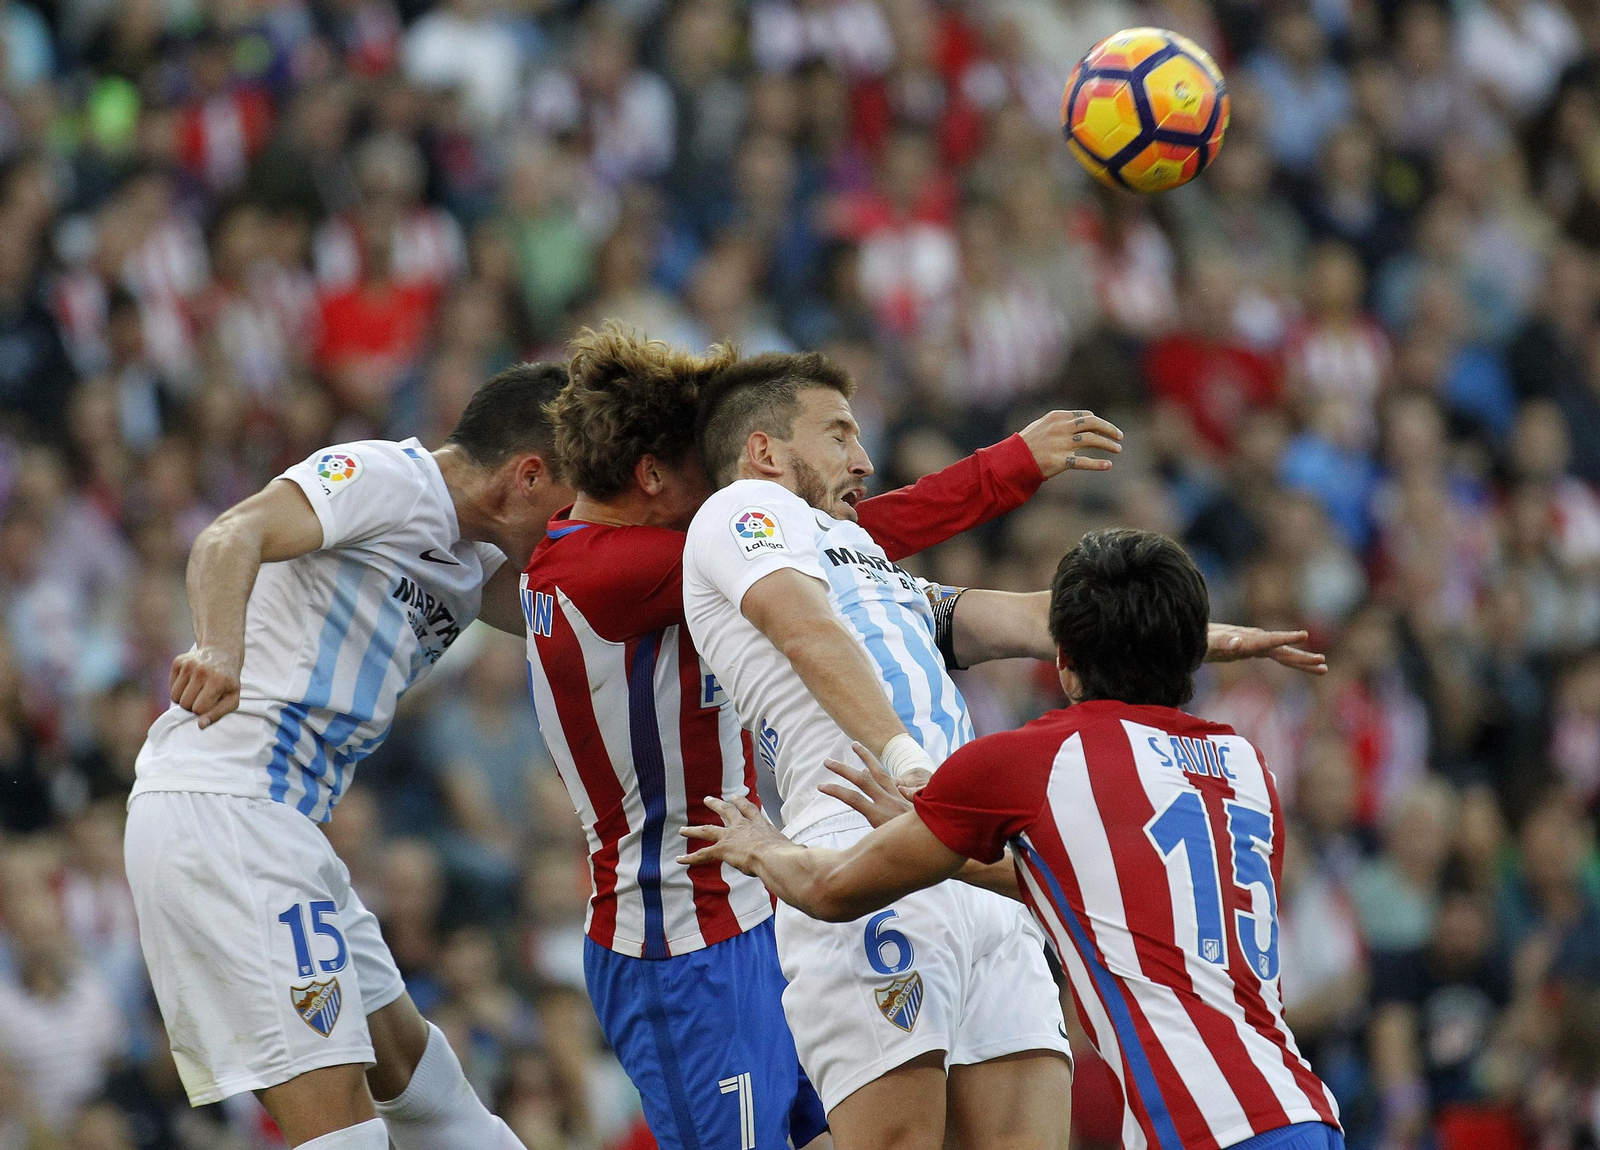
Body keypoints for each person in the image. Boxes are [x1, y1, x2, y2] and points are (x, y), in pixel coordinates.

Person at [677, 354, 1325, 1150]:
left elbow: (1013, 618)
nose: (864, 460)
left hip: (958, 850)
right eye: (839, 433)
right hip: (864, 827)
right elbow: (802, 629)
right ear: (765, 452)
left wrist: (1191, 634)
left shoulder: (865, 562)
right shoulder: (739, 512)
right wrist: (907, 761)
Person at [522, 325, 1121, 1150]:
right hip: (672, 930)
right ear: (653, 477)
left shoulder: (606, 551)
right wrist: (1005, 467)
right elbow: (864, 538)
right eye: (708, 469)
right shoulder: (611, 569)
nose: (729, 484)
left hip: (759, 890)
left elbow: (849, 550)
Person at [123, 363, 575, 1150]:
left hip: (288, 829)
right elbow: (233, 535)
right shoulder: (386, 478)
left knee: (431, 1093)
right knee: (342, 1134)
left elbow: (584, 606)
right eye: (574, 505)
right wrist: (220, 649)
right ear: (527, 476)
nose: (576, 529)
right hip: (227, 810)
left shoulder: (478, 558)